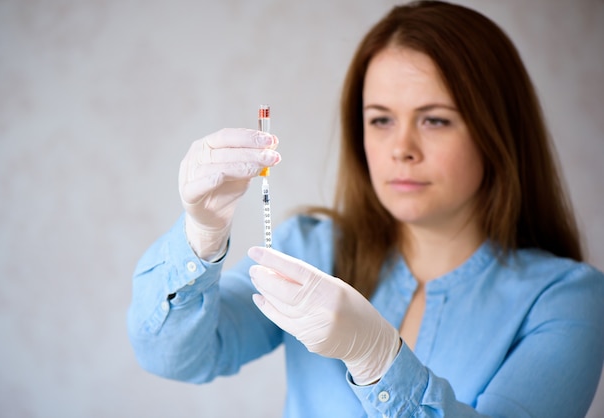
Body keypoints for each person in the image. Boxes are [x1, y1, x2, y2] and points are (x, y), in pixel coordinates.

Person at [127, 1, 604, 417]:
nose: (401, 148)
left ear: (497, 130)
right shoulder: (310, 249)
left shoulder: (566, 300)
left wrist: (378, 359)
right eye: (380, 120)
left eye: (435, 119)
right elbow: (174, 357)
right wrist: (202, 236)